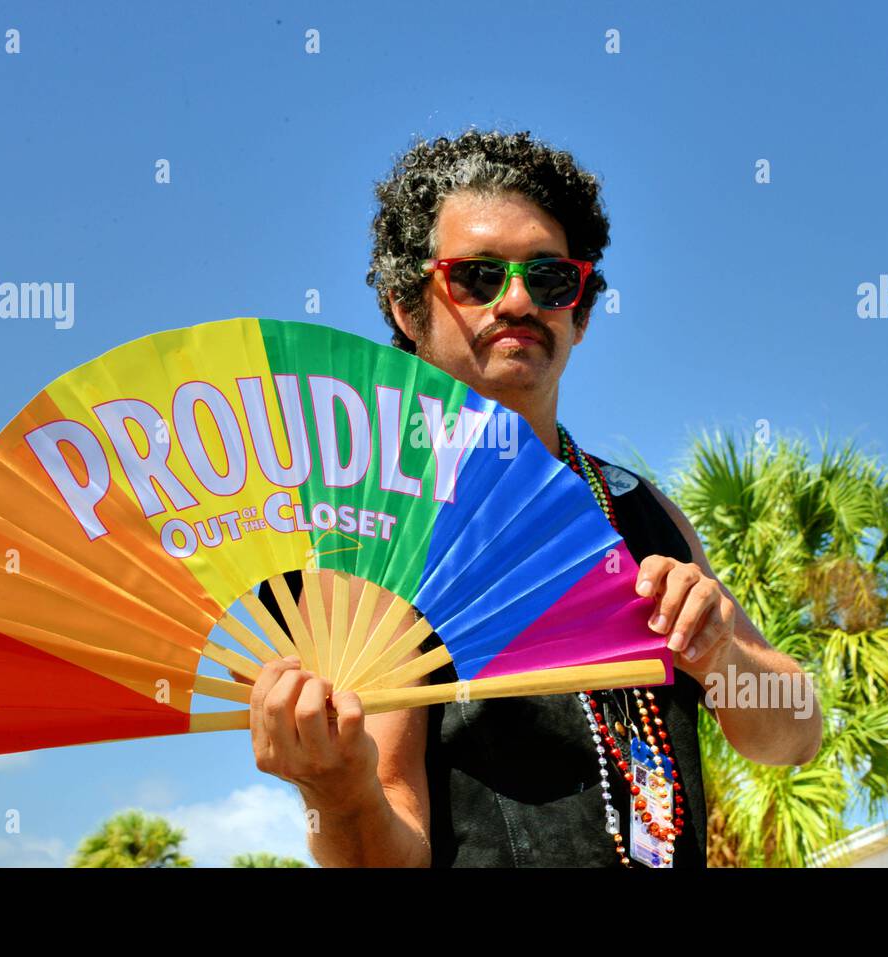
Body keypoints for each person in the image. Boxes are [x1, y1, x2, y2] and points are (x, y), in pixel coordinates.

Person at [248, 129, 821, 867]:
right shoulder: (371, 528)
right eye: (476, 276)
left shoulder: (642, 510)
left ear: (579, 312)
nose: (517, 300)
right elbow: (389, 844)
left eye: (550, 279)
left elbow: (795, 734)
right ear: (404, 306)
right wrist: (338, 791)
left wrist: (721, 655)